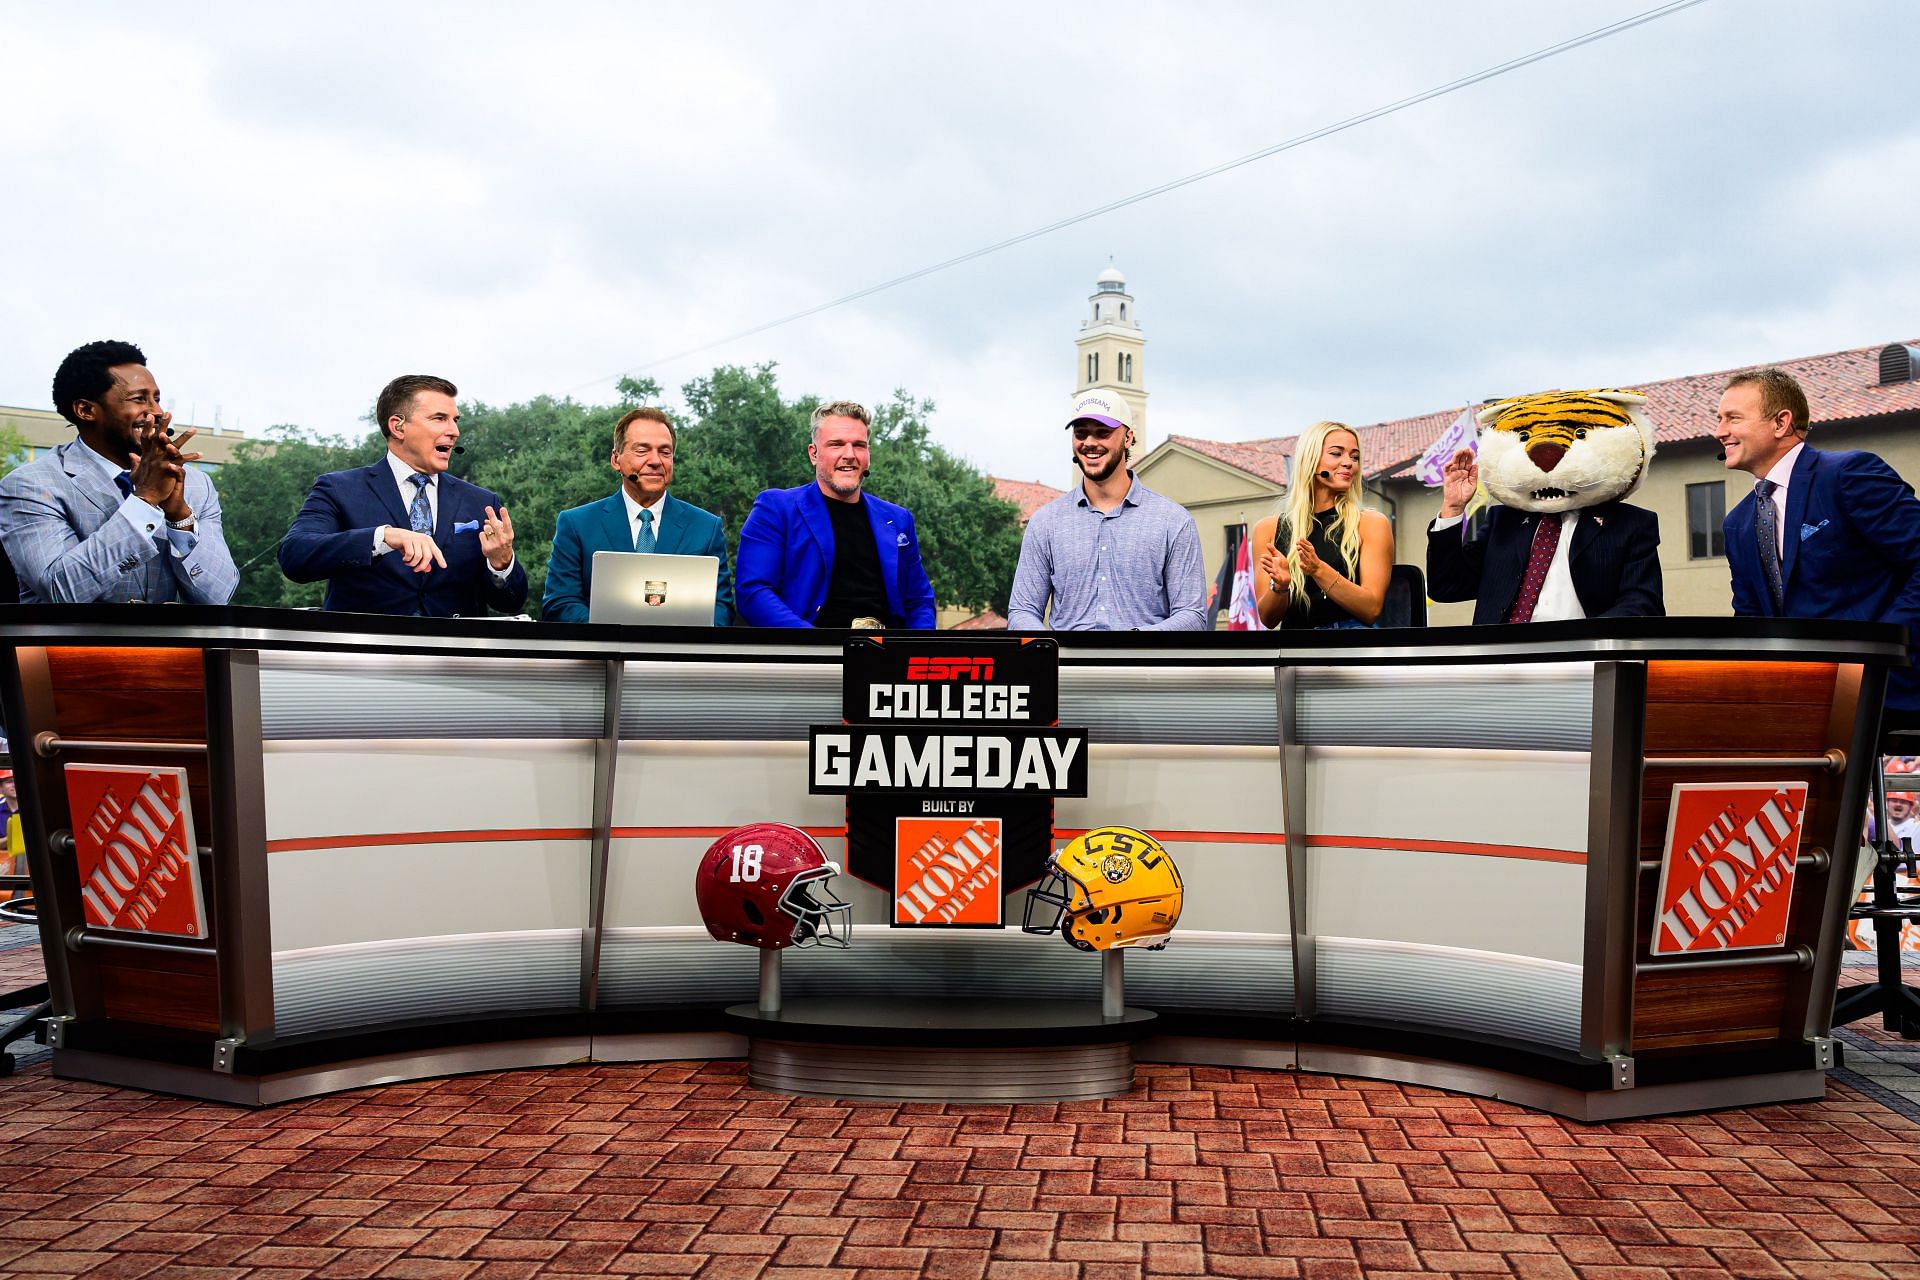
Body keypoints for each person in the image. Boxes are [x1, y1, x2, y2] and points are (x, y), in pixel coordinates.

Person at [1718, 367, 1920, 717]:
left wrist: (1879, 650)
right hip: (1799, 705)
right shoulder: (1737, 523)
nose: (1720, 431)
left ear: (1781, 423)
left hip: (1890, 690)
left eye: (1733, 418)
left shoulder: (1848, 474)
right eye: (1719, 419)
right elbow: (1750, 621)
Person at [0, 340, 238, 605]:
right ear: (86, 410)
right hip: (70, 646)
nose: (157, 412)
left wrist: (180, 517)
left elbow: (218, 598)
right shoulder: (30, 485)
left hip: (172, 647)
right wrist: (145, 499)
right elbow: (61, 590)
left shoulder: (194, 484)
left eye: (156, 399)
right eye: (139, 399)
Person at [279, 375, 527, 617]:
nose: (454, 431)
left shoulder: (481, 502)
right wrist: (382, 536)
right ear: (397, 426)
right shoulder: (338, 488)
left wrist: (501, 563)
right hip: (365, 652)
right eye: (439, 418)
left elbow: (512, 603)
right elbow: (295, 556)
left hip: (451, 654)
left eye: (455, 420)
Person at [1427, 389, 1664, 623]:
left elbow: (1643, 604)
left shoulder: (1631, 525)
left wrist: (1582, 639)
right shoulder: (1503, 522)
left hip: (1582, 655)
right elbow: (1447, 587)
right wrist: (1453, 508)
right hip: (1502, 655)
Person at [1007, 390, 1206, 631]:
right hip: (1065, 666)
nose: (1090, 442)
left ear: (1128, 438)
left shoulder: (1173, 521)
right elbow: (1022, 610)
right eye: (1081, 433)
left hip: (1145, 666)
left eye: (1103, 433)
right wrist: (1050, 648)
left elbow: (1192, 615)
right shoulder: (1045, 523)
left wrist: (1132, 645)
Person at [735, 400, 935, 629]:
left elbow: (919, 600)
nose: (849, 454)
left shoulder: (898, 519)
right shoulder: (776, 508)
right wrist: (813, 646)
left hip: (886, 656)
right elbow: (754, 592)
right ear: (814, 453)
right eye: (836, 444)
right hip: (810, 658)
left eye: (859, 445)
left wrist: (915, 649)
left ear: (868, 453)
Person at [541, 407, 734, 624]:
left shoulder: (706, 528)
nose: (655, 461)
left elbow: (721, 608)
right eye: (642, 450)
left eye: (665, 452)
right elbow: (560, 604)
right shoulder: (577, 524)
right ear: (616, 460)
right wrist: (614, 636)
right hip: (602, 655)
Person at [1250, 420, 1393, 629]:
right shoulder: (1268, 529)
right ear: (1311, 460)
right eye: (1337, 453)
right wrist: (1280, 587)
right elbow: (1268, 619)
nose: (1349, 463)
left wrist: (1319, 570)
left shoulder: (1371, 524)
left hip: (1350, 650)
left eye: (1355, 457)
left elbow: (1371, 609)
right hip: (1296, 651)